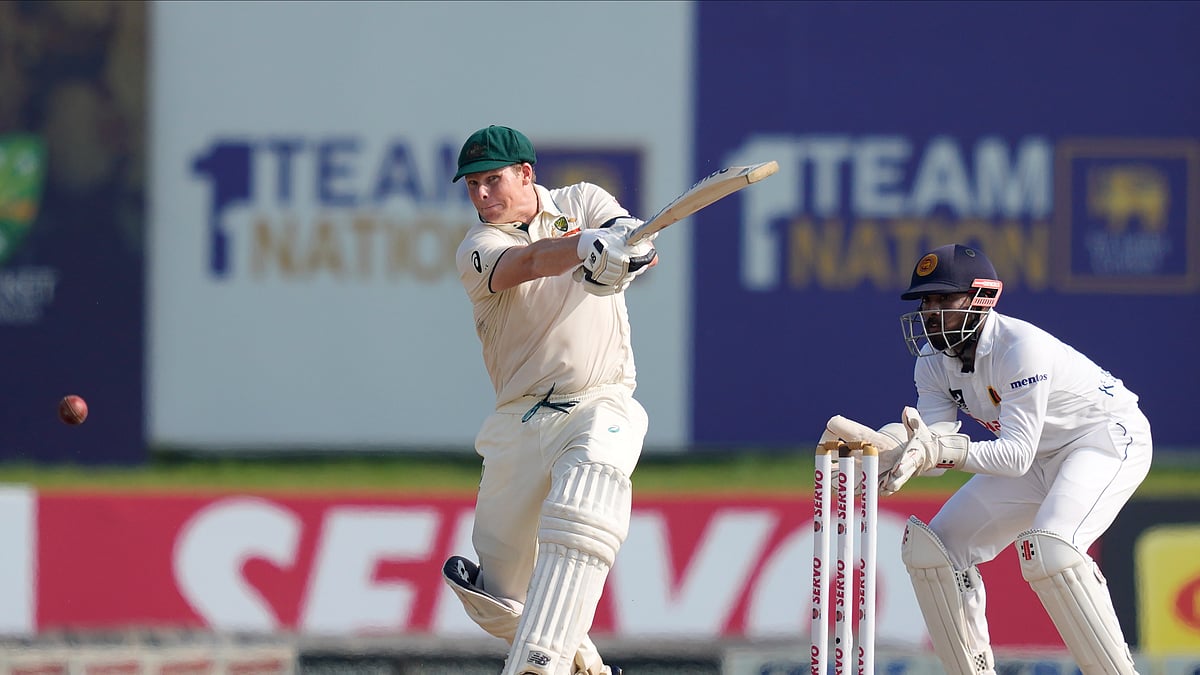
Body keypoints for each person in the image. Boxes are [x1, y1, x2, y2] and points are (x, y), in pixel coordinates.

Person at [825, 243, 1151, 674]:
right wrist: (888, 451)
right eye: (926, 300)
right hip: (1037, 456)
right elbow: (935, 436)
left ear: (983, 298)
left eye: (944, 299)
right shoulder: (931, 361)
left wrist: (940, 450)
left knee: (1052, 549)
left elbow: (1013, 456)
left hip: (1103, 440)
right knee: (935, 549)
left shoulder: (1020, 348)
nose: (930, 311)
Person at [442, 125, 657, 675]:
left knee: (587, 496)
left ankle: (542, 662)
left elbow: (630, 239)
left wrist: (628, 249)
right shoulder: (478, 246)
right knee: (497, 600)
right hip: (519, 418)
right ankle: (580, 661)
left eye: (493, 180)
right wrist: (585, 247)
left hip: (598, 399)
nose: (482, 196)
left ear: (526, 174)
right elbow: (533, 262)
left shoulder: (582, 199)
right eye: (472, 186)